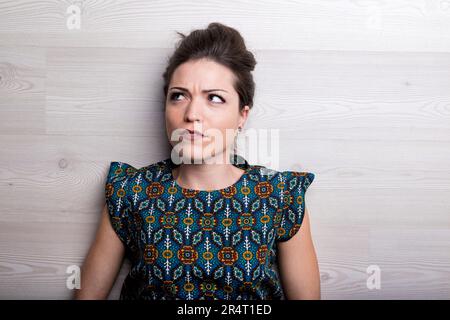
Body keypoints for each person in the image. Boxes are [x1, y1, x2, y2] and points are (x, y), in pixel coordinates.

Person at [74, 22, 320, 300]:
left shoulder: (280, 194)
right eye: (178, 96)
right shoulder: (129, 192)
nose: (192, 114)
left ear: (242, 115)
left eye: (214, 98)